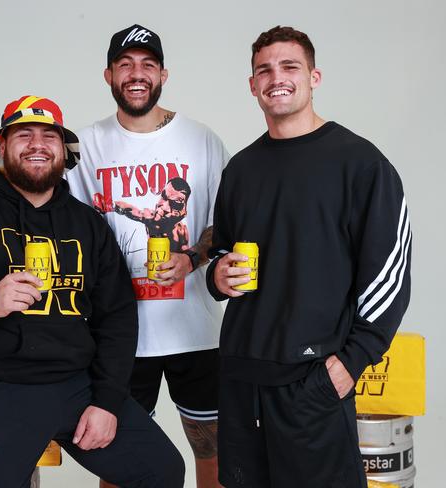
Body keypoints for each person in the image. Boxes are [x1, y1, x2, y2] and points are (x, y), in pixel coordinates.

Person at [0, 24, 229, 488]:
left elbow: (224, 223)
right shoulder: (87, 143)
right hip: (114, 335)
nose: (136, 75)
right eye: (125, 65)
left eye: (147, 65)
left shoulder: (202, 140)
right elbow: (32, 187)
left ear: (163, 74)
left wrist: (192, 260)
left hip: (193, 327)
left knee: (213, 448)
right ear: (109, 75)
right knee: (116, 458)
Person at [0, 95, 185, 488]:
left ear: (64, 151)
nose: (37, 144)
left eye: (49, 136)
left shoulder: (87, 224)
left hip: (75, 385)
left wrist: (107, 401)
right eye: (23, 134)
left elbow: (117, 317)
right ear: (2, 147)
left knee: (161, 470)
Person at [206, 26, 412, 488]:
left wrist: (349, 363)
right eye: (264, 70)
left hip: (313, 379)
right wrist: (217, 275)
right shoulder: (241, 168)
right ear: (252, 84)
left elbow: (389, 276)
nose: (276, 77)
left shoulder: (361, 164)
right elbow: (222, 248)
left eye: (289, 66)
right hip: (241, 376)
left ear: (314, 77)